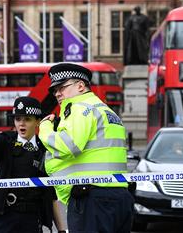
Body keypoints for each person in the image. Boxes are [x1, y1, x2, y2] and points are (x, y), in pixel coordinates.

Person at [39, 63, 134, 232]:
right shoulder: (107, 111)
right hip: (119, 196)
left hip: (91, 199)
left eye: (62, 87)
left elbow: (67, 146)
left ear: (81, 86)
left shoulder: (78, 107)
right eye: (55, 90)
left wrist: (45, 128)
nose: (58, 94)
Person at [0, 96, 66, 233]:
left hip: (32, 220)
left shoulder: (45, 149)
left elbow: (51, 195)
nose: (21, 124)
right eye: (18, 119)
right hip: (4, 217)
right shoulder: (7, 140)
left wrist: (61, 230)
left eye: (27, 119)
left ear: (37, 122)